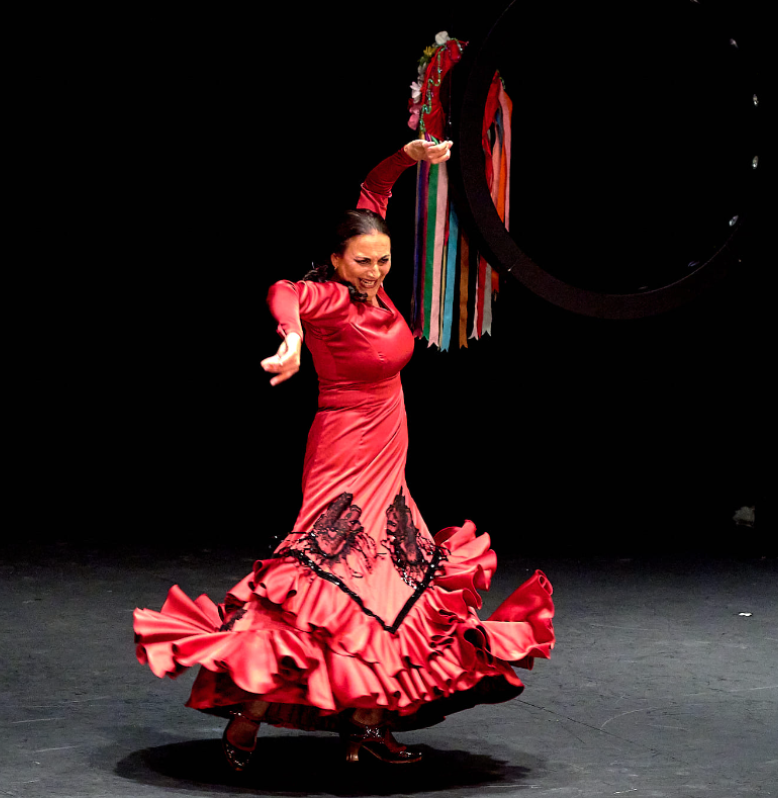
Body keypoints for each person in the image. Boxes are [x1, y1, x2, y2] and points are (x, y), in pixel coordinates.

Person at [134, 139, 554, 771]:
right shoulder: (329, 298)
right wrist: (294, 337)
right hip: (346, 452)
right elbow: (284, 292)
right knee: (327, 583)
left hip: (389, 450)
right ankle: (249, 711)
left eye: (383, 260)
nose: (376, 271)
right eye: (362, 262)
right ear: (335, 261)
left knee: (393, 584)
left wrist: (407, 158)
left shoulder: (372, 285)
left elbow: (373, 194)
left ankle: (365, 723)